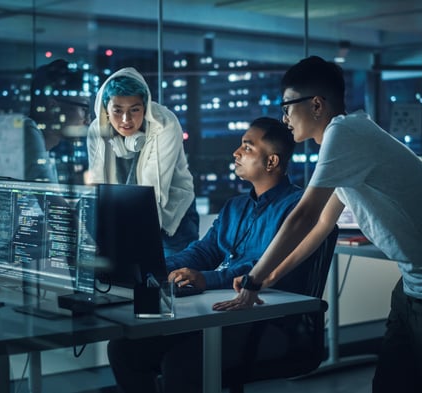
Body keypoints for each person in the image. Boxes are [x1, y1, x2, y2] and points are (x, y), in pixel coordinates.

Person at [213, 56, 422, 393]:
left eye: (287, 106)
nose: (284, 117)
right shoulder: (351, 136)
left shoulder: (344, 133)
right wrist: (270, 277)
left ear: (316, 105)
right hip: (415, 286)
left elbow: (304, 215)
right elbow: (321, 224)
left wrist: (254, 279)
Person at [107, 117, 328, 393]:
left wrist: (206, 280)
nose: (236, 153)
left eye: (247, 147)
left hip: (268, 322)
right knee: (125, 348)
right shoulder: (235, 206)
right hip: (221, 313)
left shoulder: (298, 209)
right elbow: (203, 251)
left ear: (271, 162)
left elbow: (262, 265)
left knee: (182, 363)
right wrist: (151, 265)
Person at [86, 67, 198, 255]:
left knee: (173, 279)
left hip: (173, 215)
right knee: (124, 280)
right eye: (118, 110)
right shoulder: (97, 131)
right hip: (123, 215)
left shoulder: (165, 124)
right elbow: (99, 186)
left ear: (145, 108)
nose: (126, 119)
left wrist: (133, 241)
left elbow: (153, 192)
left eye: (134, 110)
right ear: (106, 109)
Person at [25, 59, 90, 182]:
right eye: (83, 109)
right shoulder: (28, 131)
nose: (87, 121)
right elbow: (51, 199)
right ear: (53, 107)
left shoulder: (46, 152)